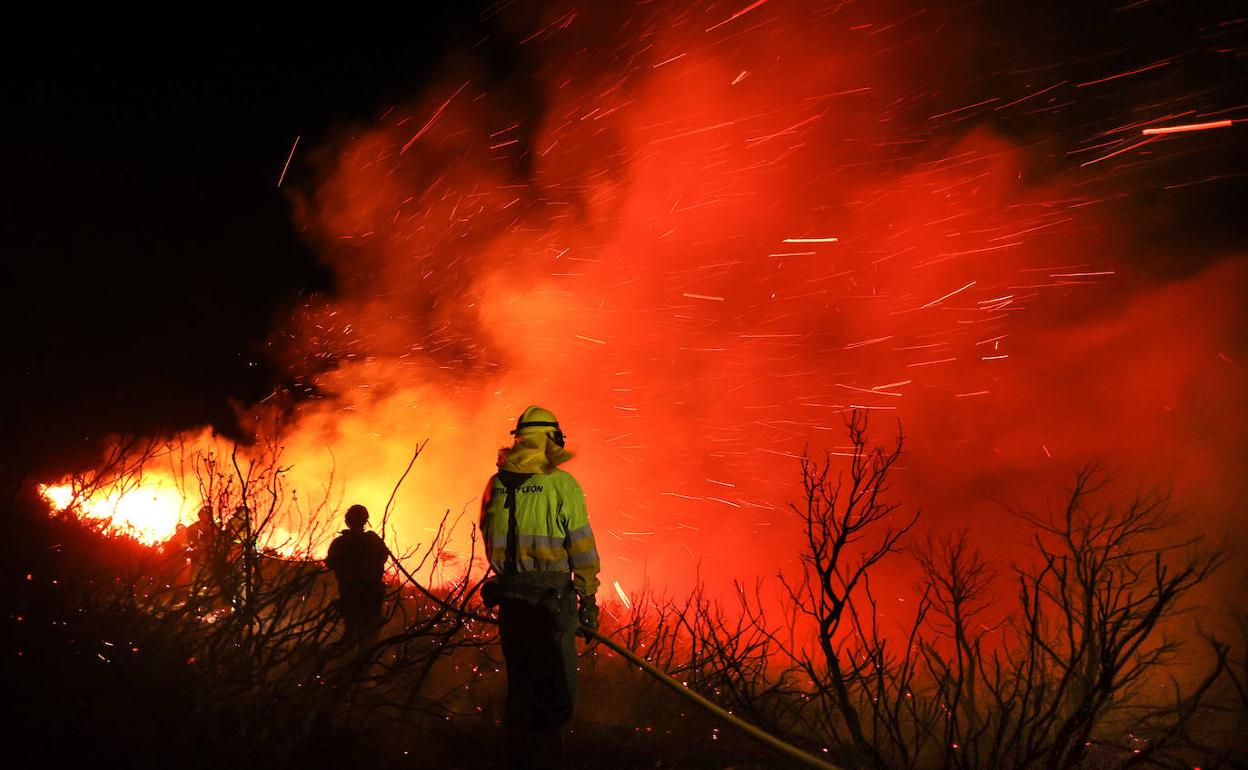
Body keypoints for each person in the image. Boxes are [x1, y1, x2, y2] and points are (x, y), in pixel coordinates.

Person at [479, 405, 601, 770]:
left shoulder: (495, 483)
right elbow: (581, 545)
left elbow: (489, 537)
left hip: (511, 600)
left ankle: (516, 758)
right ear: (549, 439)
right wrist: (589, 597)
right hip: (553, 602)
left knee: (521, 687)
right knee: (557, 692)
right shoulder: (561, 484)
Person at [325, 504, 389, 647]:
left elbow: (330, 563)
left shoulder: (340, 543)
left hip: (351, 597)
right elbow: (383, 557)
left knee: (351, 640)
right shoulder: (374, 540)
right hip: (372, 598)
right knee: (369, 642)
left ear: (347, 521)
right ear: (365, 521)